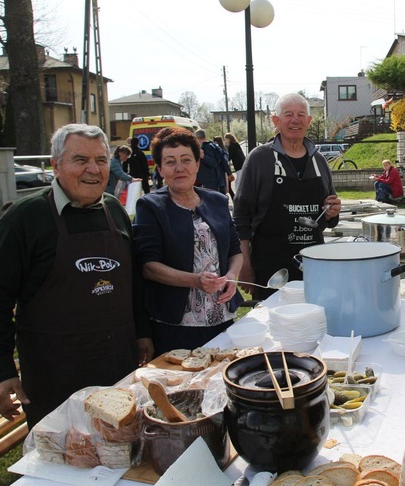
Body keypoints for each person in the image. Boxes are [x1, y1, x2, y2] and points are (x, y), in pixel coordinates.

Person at [0, 124, 154, 429]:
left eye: (100, 160)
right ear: (55, 165)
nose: (93, 170)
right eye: (80, 160)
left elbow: (132, 282)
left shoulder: (115, 210)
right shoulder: (23, 220)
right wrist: (2, 372)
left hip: (119, 369)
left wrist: (142, 332)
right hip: (56, 377)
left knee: (123, 455)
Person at [133, 127, 243, 355]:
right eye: (170, 162)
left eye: (186, 160)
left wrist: (232, 276)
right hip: (175, 324)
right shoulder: (151, 207)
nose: (180, 168)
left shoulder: (218, 201)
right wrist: (195, 280)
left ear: (197, 164)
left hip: (222, 317)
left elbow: (235, 249)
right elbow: (148, 267)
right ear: (160, 169)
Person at [233, 93, 342, 300]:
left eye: (301, 115)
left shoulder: (319, 161)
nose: (295, 120)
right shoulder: (259, 159)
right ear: (276, 120)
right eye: (288, 114)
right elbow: (241, 218)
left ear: (309, 121)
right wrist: (244, 265)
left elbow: (329, 215)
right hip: (270, 264)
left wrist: (332, 211)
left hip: (313, 263)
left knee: (313, 319)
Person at [195, 129, 232, 194]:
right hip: (217, 182)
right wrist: (229, 173)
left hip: (210, 183)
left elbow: (213, 163)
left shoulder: (206, 148)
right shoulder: (213, 146)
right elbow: (223, 161)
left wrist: (203, 157)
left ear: (198, 138)